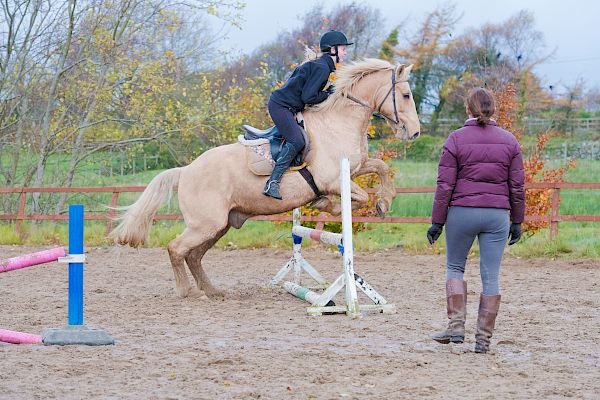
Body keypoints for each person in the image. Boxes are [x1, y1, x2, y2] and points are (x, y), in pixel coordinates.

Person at [427, 87, 525, 354]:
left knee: (455, 267)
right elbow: (517, 186)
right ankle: (482, 341)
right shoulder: (510, 141)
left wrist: (437, 222)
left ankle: (456, 327)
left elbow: (445, 185)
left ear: (468, 110)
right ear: (493, 110)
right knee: (491, 276)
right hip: (497, 216)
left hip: (462, 212)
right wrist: (517, 220)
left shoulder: (455, 138)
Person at [263, 30, 353, 200]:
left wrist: (327, 92)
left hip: (289, 107)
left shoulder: (322, 66)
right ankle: (273, 182)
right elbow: (309, 97)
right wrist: (330, 94)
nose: (345, 52)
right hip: (281, 106)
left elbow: (306, 94)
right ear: (332, 50)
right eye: (343, 48)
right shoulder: (322, 68)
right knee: (297, 140)